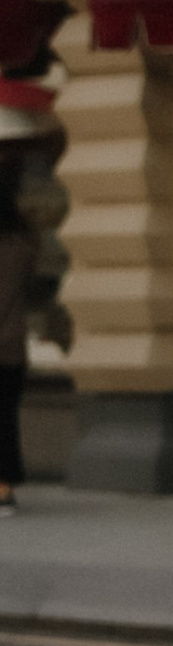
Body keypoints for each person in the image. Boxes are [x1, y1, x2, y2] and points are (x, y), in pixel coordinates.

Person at [0, 167, 32, 514]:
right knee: (6, 418)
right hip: (13, 348)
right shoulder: (22, 247)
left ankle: (3, 489)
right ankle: (5, 485)